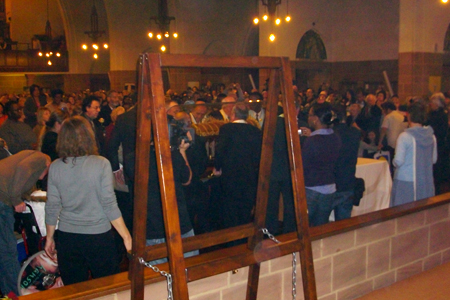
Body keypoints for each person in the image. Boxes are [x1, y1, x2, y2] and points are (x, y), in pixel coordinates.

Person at [44, 116, 132, 286]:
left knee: (75, 289)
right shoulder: (101, 164)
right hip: (97, 235)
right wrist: (126, 236)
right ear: (88, 136)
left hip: (67, 236)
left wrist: (49, 237)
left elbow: (52, 206)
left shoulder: (55, 166)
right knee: (107, 287)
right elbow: (109, 204)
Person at [0, 150, 50, 296]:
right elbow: (23, 169)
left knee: (2, 251)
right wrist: (16, 200)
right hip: (2, 199)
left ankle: (8, 294)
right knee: (8, 252)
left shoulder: (26, 155)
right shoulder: (41, 158)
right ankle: (19, 293)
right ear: (48, 165)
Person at [214, 103, 262, 233]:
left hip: (230, 174)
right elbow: (258, 154)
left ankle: (232, 237)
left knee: (230, 209)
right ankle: (244, 234)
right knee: (245, 207)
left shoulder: (226, 129)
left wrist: (217, 167)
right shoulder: (255, 131)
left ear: (233, 115)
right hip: (249, 174)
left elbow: (220, 150)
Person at [299, 103, 341, 226]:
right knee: (321, 225)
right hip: (329, 187)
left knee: (306, 226)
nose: (308, 118)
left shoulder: (312, 141)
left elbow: (303, 164)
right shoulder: (335, 137)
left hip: (312, 187)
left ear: (316, 119)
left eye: (310, 115)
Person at [391, 102, 437, 206]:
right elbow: (433, 160)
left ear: (409, 116)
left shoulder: (405, 136)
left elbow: (398, 161)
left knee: (403, 213)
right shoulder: (432, 136)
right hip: (425, 180)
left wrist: (393, 162)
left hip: (406, 181)